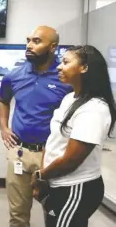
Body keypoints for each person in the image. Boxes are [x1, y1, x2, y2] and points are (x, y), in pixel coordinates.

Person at [0, 25, 73, 227]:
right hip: (19, 153)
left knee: (56, 212)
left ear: (53, 46)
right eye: (28, 40)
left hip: (52, 156)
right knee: (18, 215)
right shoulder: (14, 75)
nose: (29, 45)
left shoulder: (65, 78)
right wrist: (4, 128)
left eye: (36, 41)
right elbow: (2, 100)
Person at [31, 45, 116, 227]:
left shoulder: (94, 109)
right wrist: (44, 177)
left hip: (74, 187)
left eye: (66, 62)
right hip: (57, 183)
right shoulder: (70, 98)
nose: (59, 67)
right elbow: (54, 140)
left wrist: (40, 175)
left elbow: (71, 160)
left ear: (84, 68)